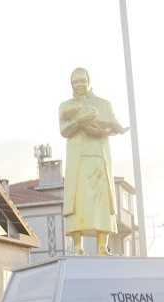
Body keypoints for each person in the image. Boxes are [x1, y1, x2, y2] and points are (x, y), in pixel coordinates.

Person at [59, 67, 128, 256]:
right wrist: (80, 120)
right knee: (77, 202)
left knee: (102, 202)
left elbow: (113, 125)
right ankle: (77, 246)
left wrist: (109, 128)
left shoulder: (104, 104)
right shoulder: (66, 106)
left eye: (82, 81)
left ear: (89, 81)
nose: (79, 85)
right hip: (77, 159)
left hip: (98, 157)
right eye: (75, 82)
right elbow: (64, 131)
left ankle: (102, 246)